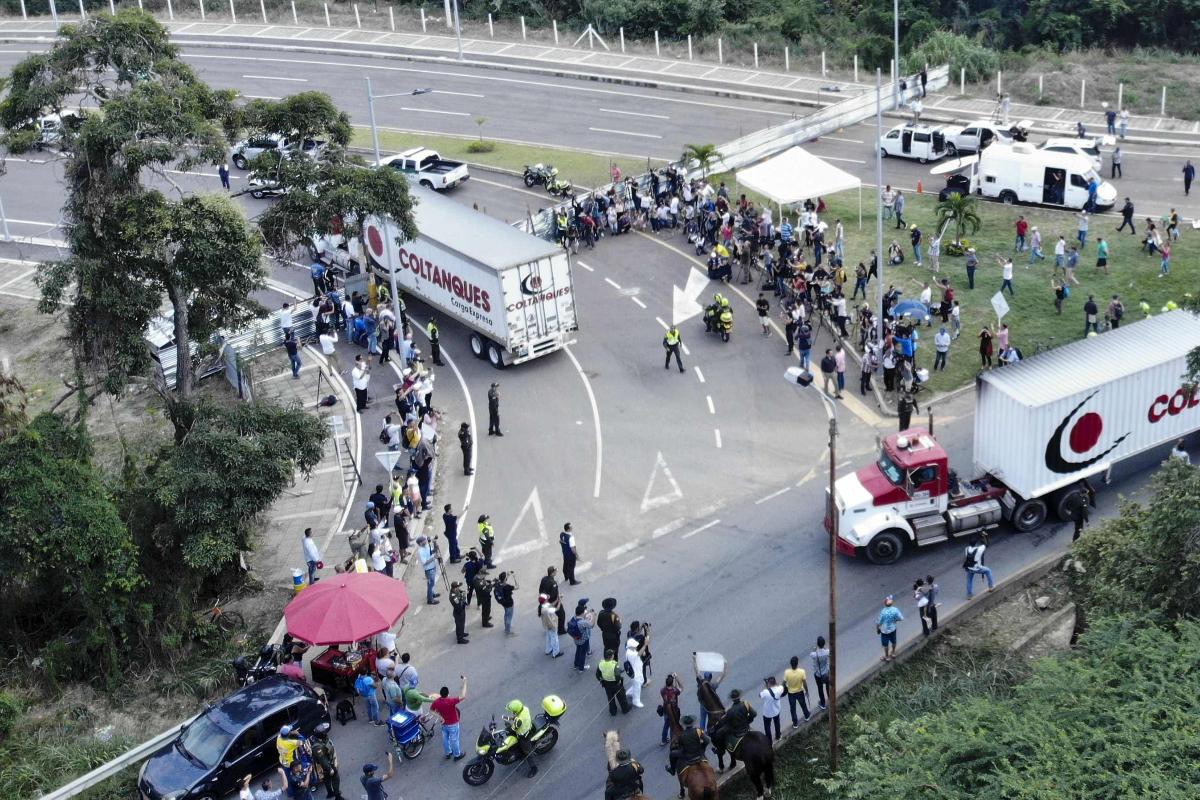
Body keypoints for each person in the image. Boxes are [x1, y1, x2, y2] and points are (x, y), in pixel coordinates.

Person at [430, 676, 468, 761]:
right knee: (454, 740)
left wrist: (439, 717)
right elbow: (463, 696)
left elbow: (431, 711)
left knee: (445, 739)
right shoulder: (450, 701)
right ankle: (457, 755)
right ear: (447, 694)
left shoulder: (436, 702)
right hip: (453, 724)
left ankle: (448, 753)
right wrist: (465, 682)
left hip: (444, 724)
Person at [712, 688, 756, 755]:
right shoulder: (745, 704)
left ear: (732, 699)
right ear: (739, 697)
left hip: (736, 730)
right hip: (746, 726)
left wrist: (718, 722)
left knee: (718, 733)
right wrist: (748, 720)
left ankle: (720, 750)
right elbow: (754, 714)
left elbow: (726, 722)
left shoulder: (730, 711)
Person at [596, 649, 631, 715]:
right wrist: (619, 681)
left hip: (606, 684)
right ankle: (625, 709)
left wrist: (601, 680)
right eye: (613, 655)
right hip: (615, 684)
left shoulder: (601, 663)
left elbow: (597, 674)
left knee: (610, 698)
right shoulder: (614, 665)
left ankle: (613, 711)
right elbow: (617, 676)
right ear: (611, 656)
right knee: (621, 697)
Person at [876, 595, 903, 662]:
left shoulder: (883, 612)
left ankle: (887, 657)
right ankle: (893, 653)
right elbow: (901, 618)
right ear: (892, 603)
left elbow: (879, 622)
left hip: (884, 631)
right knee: (894, 641)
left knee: (885, 644)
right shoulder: (895, 610)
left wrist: (877, 629)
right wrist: (895, 621)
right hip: (893, 629)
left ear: (885, 603)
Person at [569, 603, 594, 671]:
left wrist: (588, 612)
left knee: (578, 651)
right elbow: (591, 625)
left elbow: (582, 615)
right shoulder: (583, 622)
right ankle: (581, 668)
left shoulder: (573, 618)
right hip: (583, 640)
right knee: (583, 654)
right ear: (582, 613)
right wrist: (594, 616)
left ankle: (576, 665)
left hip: (576, 639)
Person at [759, 676, 784, 744]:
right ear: (775, 682)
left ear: (769, 684)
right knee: (777, 723)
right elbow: (779, 686)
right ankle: (778, 736)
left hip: (767, 713)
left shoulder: (765, 692)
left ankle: (769, 741)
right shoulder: (780, 688)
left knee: (767, 727)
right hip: (776, 710)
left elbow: (760, 695)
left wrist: (766, 688)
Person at [659, 674, 681, 745]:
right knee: (673, 725)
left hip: (666, 711)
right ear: (672, 683)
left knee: (666, 725)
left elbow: (664, 687)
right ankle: (672, 740)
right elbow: (680, 688)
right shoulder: (674, 691)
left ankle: (664, 739)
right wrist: (676, 679)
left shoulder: (663, 691)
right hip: (674, 711)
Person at [494, 571, 517, 635]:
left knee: (506, 614)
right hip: (509, 604)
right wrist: (514, 578)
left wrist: (508, 575)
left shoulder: (498, 584)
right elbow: (517, 586)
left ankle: (506, 627)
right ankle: (508, 631)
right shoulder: (507, 587)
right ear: (505, 579)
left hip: (503, 603)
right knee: (509, 618)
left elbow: (503, 580)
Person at [417, 537, 439, 605]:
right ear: (420, 543)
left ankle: (432, 594)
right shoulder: (420, 551)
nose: (425, 541)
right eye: (424, 541)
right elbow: (425, 562)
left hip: (433, 566)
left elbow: (433, 551)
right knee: (431, 584)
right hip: (429, 569)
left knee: (431, 583)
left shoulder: (427, 546)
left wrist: (435, 543)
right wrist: (433, 558)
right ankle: (430, 600)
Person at [540, 594, 562, 658]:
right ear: (544, 600)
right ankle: (556, 653)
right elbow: (557, 608)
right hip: (551, 625)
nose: (547, 598)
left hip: (547, 625)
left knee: (549, 638)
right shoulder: (547, 609)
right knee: (554, 639)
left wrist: (557, 600)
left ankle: (548, 650)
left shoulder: (543, 606)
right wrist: (560, 601)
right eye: (546, 598)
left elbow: (551, 605)